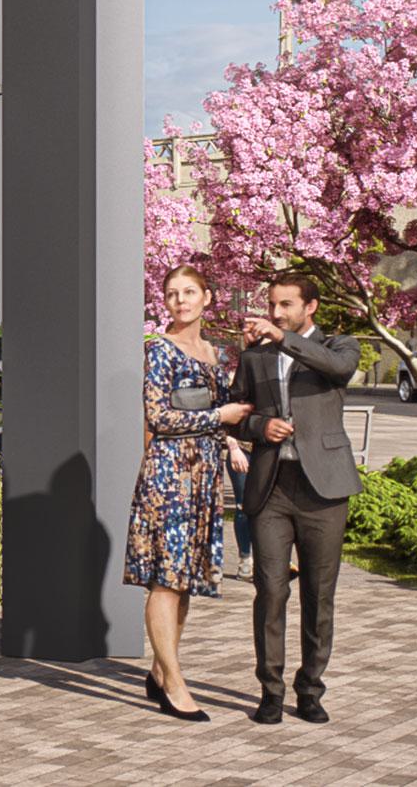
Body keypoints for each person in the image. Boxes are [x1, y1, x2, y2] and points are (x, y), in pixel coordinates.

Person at [230, 273, 362, 726]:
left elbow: (339, 370)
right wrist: (258, 429)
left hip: (324, 488)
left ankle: (310, 690)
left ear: (311, 307)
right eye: (272, 304)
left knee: (318, 594)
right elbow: (236, 413)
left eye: (285, 304)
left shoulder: (340, 347)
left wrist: (283, 337)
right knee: (269, 590)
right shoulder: (255, 355)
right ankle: (269, 690)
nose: (275, 312)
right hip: (272, 486)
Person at [123, 265, 253, 722]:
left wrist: (232, 433)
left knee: (185, 582)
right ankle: (175, 684)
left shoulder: (215, 354)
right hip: (167, 478)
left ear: (207, 297)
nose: (180, 300)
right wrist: (221, 418)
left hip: (202, 480)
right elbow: (159, 417)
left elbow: (230, 415)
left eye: (189, 292)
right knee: (166, 580)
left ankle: (161, 670)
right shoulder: (159, 350)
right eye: (172, 293)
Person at [218, 348, 255, 582]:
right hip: (240, 449)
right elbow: (221, 416)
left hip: (265, 449)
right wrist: (233, 447)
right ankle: (245, 560)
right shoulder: (229, 380)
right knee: (244, 505)